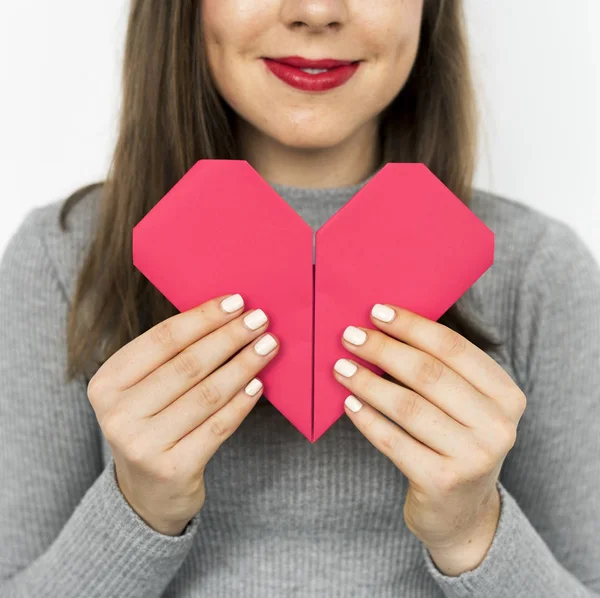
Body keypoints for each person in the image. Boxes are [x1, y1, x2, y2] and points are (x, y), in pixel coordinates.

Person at [1, 1, 599, 596]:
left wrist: (472, 532)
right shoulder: (61, 258)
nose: (316, 11)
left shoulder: (538, 271)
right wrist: (136, 508)